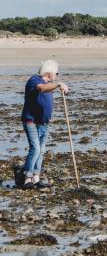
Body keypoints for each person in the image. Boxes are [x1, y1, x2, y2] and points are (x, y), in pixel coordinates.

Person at [20, 59, 69, 189]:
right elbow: (42, 89)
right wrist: (58, 84)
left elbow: (48, 89)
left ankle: (36, 178)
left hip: (43, 123)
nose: (57, 75)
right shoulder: (35, 80)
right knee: (35, 149)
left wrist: (63, 89)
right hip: (31, 120)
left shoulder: (49, 84)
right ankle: (27, 178)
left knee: (41, 151)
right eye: (56, 73)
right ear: (50, 72)